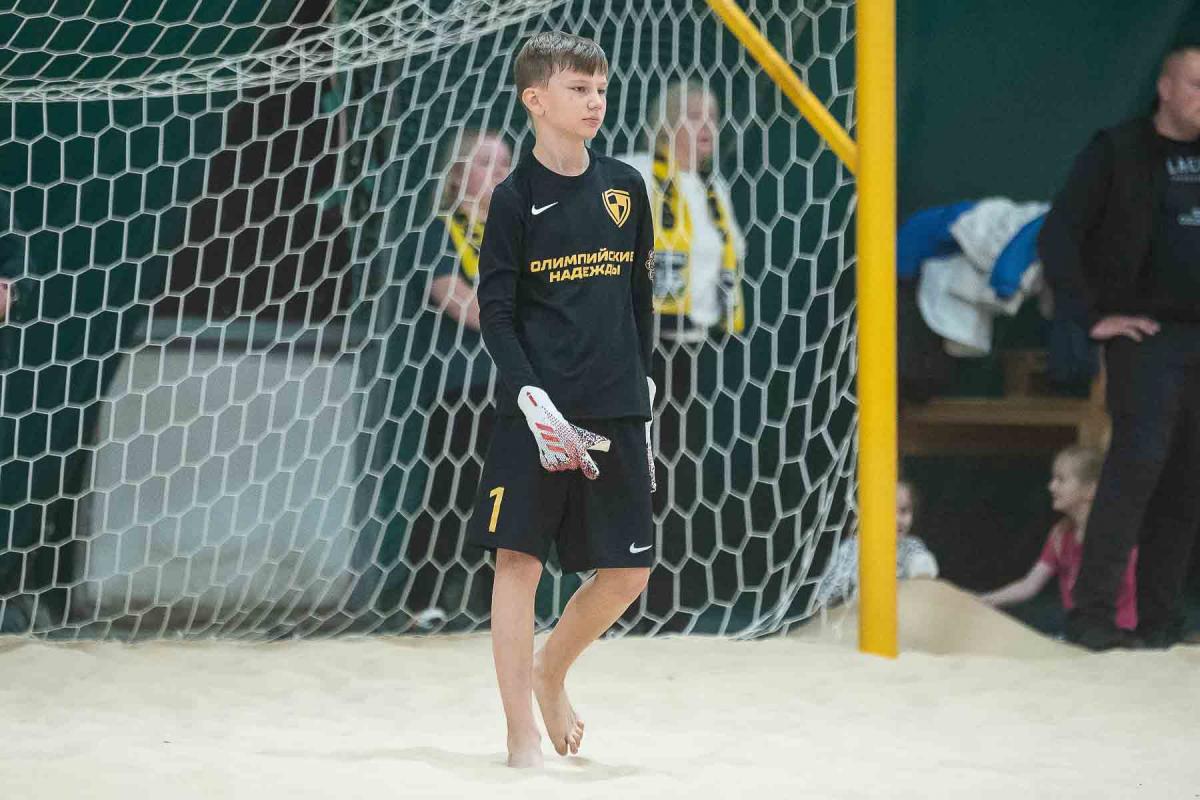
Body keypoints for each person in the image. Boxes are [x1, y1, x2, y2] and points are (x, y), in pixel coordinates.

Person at [464, 32, 656, 767]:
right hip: (537, 412)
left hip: (615, 406)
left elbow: (639, 300)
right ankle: (520, 732)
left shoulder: (626, 186)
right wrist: (530, 398)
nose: (595, 100)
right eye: (579, 88)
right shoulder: (514, 200)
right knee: (518, 563)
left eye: (601, 87)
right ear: (536, 100)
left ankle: (551, 670)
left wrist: (643, 386)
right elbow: (497, 313)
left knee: (629, 572)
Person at [1039, 42, 1200, 650]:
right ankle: (1092, 617)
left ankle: (1161, 622)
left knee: (1188, 480)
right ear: (1165, 87)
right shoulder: (1119, 150)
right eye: (1196, 84)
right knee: (1136, 467)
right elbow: (1060, 234)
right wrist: (1090, 316)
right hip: (1147, 335)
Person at [621, 79, 745, 630]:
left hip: (690, 352)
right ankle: (619, 601)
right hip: (634, 348)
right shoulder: (633, 174)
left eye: (713, 117)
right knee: (632, 470)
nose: (706, 128)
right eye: (694, 115)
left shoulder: (712, 191)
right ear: (664, 123)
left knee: (672, 475)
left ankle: (662, 601)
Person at [402, 129, 513, 626]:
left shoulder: (522, 235)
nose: (498, 173)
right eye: (486, 162)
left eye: (505, 163)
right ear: (455, 176)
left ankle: (501, 607)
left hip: (521, 387)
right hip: (463, 387)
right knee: (450, 492)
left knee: (511, 500)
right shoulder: (437, 231)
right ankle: (424, 601)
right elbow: (459, 303)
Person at [980, 446, 1138, 633]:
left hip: (1119, 633)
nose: (1051, 486)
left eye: (1061, 480)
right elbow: (1029, 585)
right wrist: (984, 600)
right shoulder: (1060, 534)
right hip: (1079, 633)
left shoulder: (1117, 536)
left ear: (1091, 490)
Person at [814, 479, 938, 608]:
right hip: (854, 616)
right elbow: (822, 604)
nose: (897, 520)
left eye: (903, 511)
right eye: (887, 511)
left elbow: (924, 573)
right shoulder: (850, 550)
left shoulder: (911, 546)